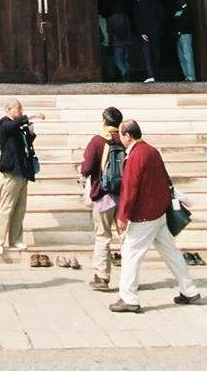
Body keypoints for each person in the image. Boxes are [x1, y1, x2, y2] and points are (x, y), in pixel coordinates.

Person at [110, 119, 203, 312]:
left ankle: (129, 298)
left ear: (128, 135)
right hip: (159, 213)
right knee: (171, 253)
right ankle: (190, 290)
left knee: (131, 254)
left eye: (121, 134)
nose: (120, 138)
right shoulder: (152, 151)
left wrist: (123, 216)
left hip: (144, 215)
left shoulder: (135, 156)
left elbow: (130, 188)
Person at [79, 105, 127, 291]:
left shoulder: (98, 141)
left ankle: (102, 277)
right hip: (124, 195)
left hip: (104, 194)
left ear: (104, 121)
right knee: (126, 238)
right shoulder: (125, 139)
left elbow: (87, 168)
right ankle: (129, 277)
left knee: (103, 236)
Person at [0, 98, 37, 257]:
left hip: (23, 170)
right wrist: (29, 117)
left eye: (21, 109)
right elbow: (11, 127)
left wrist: (30, 132)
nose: (20, 112)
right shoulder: (5, 122)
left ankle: (16, 238)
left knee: (20, 208)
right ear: (9, 110)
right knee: (6, 207)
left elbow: (26, 144)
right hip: (11, 171)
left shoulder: (19, 125)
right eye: (18, 109)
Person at [131, 0, 166, 83]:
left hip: (145, 35)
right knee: (156, 54)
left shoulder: (137, 5)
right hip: (156, 33)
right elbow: (162, 16)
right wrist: (158, 28)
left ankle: (151, 75)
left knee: (147, 55)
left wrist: (141, 32)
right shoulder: (155, 3)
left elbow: (138, 20)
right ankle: (157, 75)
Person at [171, 0, 197, 82]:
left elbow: (189, 22)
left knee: (187, 56)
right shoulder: (177, 10)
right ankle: (186, 76)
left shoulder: (187, 10)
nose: (179, 1)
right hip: (178, 36)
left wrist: (181, 31)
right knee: (181, 57)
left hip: (185, 35)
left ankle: (191, 76)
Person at [107, 8, 135, 80]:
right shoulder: (125, 18)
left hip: (117, 43)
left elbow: (110, 31)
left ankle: (124, 72)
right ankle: (127, 74)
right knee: (126, 59)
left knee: (117, 59)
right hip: (127, 42)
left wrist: (110, 42)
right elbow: (129, 30)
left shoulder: (111, 18)